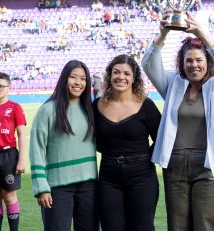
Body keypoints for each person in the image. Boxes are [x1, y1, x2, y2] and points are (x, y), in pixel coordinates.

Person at [141, 12, 214, 231]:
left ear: (208, 62)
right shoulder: (173, 84)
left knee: (206, 226)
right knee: (178, 226)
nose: (194, 65)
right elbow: (148, 64)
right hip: (175, 164)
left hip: (208, 164)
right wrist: (163, 33)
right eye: (189, 60)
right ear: (182, 64)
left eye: (199, 60)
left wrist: (202, 32)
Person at [93, 54, 161, 230]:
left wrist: (144, 159)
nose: (120, 77)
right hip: (109, 176)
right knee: (111, 227)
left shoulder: (146, 105)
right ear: (109, 75)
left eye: (126, 73)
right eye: (116, 72)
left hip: (142, 177)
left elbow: (161, 138)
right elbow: (91, 139)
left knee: (142, 227)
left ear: (134, 78)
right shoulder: (96, 106)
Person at [29, 60, 98, 231]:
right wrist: (41, 188)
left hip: (89, 186)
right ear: (64, 79)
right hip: (58, 188)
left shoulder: (90, 110)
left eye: (83, 79)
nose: (78, 82)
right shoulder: (47, 110)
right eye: (73, 77)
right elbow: (36, 149)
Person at [0, 72, 26, 231]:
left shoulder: (15, 107)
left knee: (9, 196)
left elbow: (22, 134)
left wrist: (21, 159)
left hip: (8, 156)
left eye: (1, 86)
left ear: (9, 88)